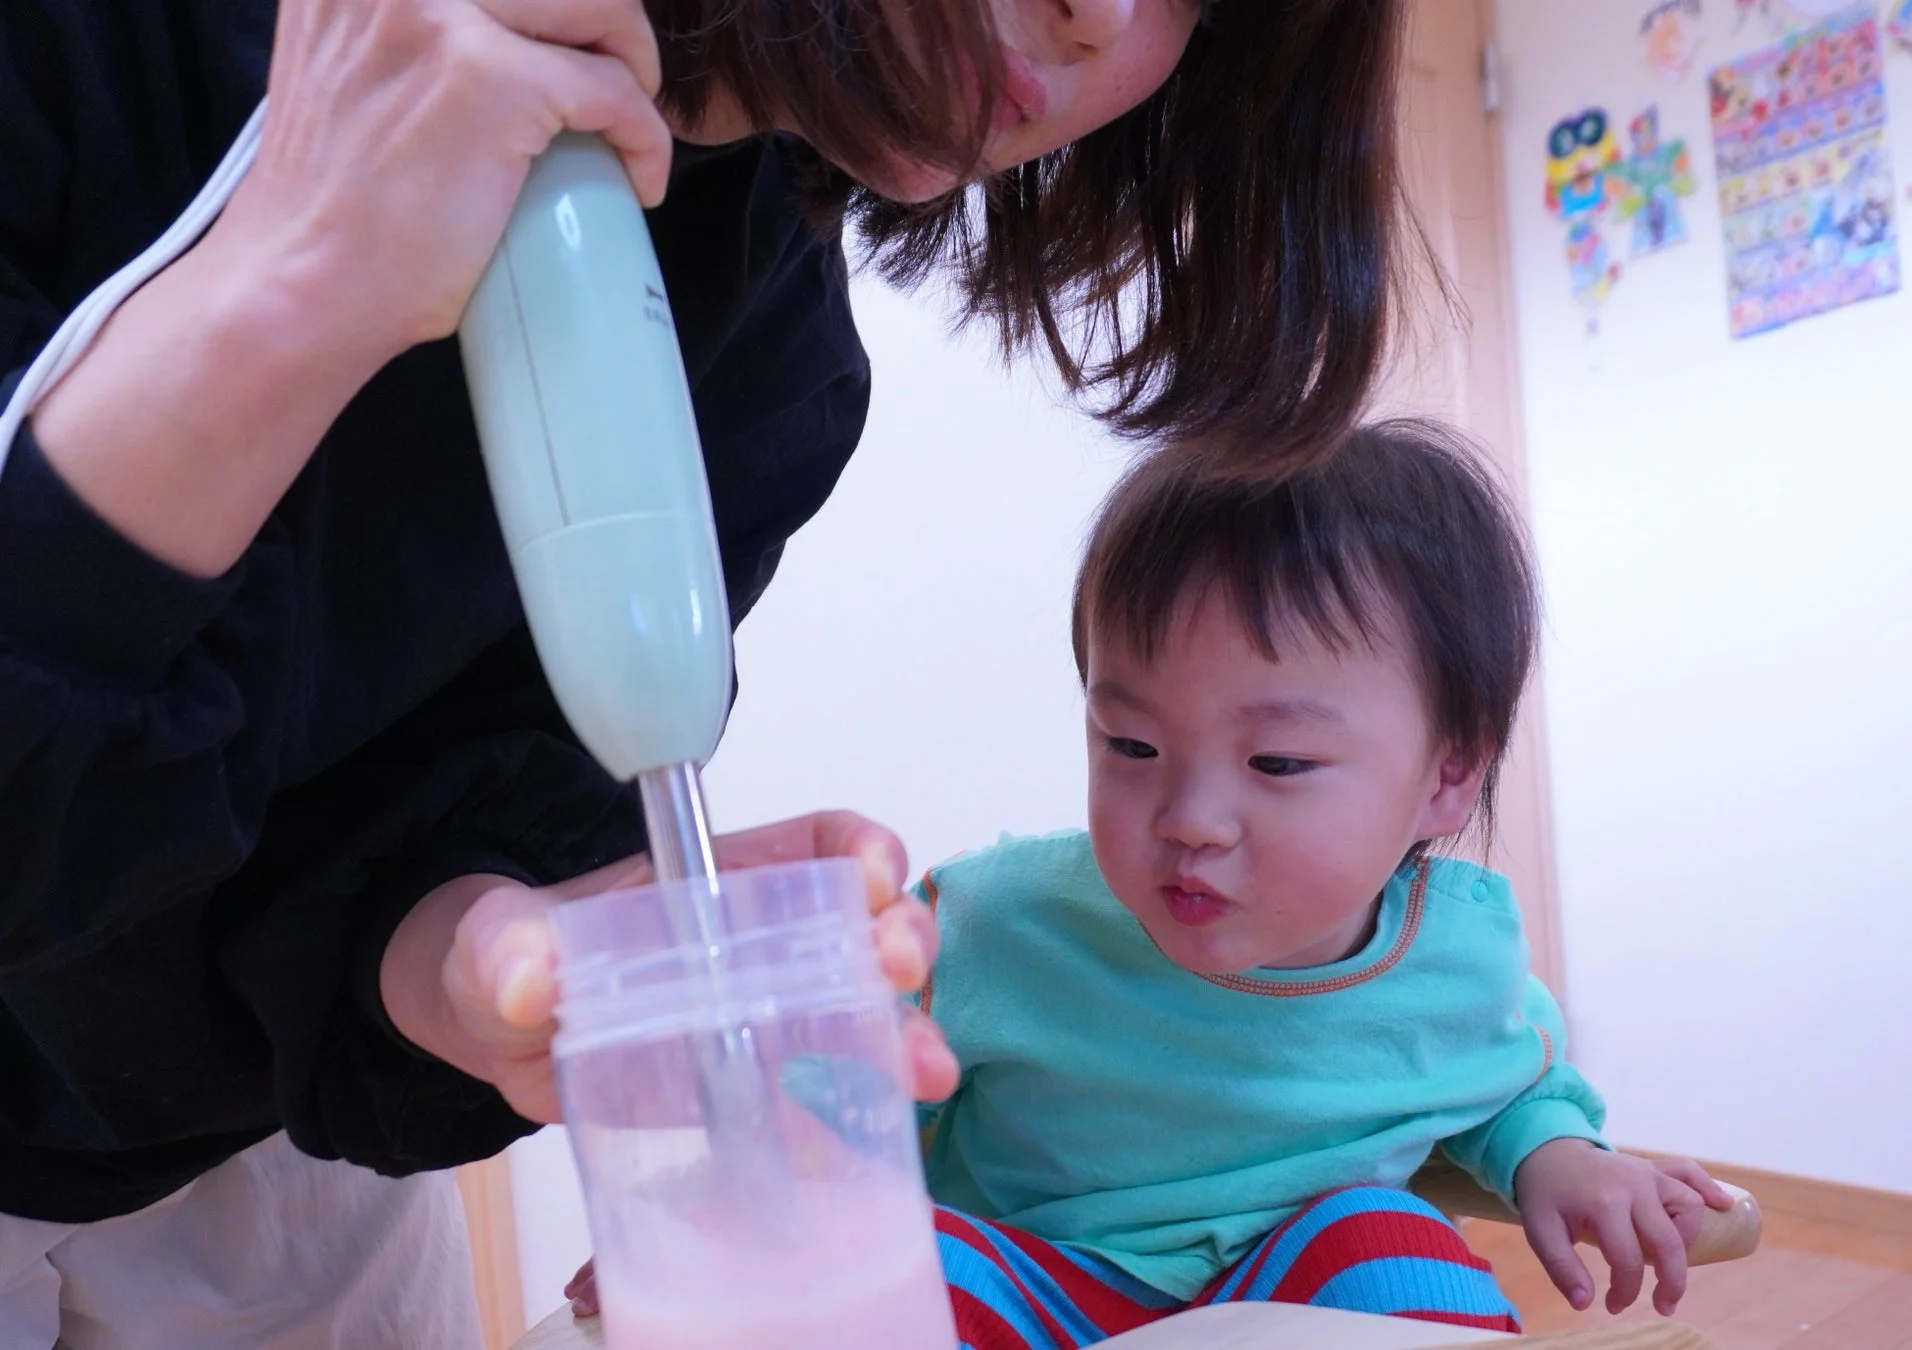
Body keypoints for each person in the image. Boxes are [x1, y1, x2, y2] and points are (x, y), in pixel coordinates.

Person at [0, 0, 1416, 1345]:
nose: (1099, 17)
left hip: (267, 1167)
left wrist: (479, 955)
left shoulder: (771, 364)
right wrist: (300, 274)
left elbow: (368, 852)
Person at [908, 424, 1736, 1345]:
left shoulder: (1457, 959)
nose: (1190, 818)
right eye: (1132, 746)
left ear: (1446, 777)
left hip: (1297, 1304)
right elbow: (843, 1093)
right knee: (914, 1261)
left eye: (1278, 761)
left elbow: (1501, 1081)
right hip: (1053, 1295)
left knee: (1383, 1234)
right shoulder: (991, 925)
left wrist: (1558, 1155)